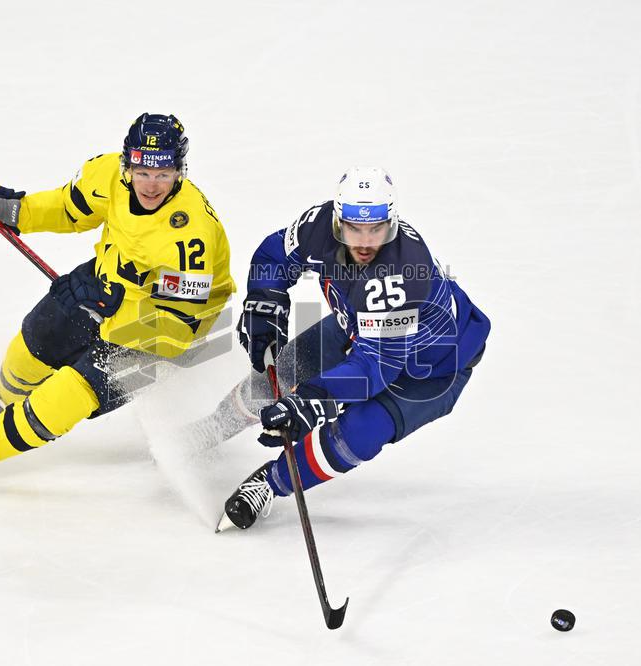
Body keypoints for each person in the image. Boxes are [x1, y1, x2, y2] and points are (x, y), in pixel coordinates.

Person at [0, 113, 235, 499]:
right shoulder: (107, 177)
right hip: (110, 282)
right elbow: (69, 208)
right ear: (126, 164)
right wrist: (9, 212)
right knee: (40, 333)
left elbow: (180, 325)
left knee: (74, 390)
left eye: (163, 174)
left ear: (179, 172)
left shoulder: (191, 235)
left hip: (167, 331)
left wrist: (107, 312)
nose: (151, 184)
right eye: (142, 170)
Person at [210, 166, 490, 531]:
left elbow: (373, 370)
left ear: (391, 222)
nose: (364, 241)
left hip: (433, 367)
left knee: (360, 431)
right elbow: (273, 256)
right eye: (354, 228)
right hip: (362, 331)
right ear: (338, 220)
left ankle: (269, 482)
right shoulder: (318, 224)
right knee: (283, 370)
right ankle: (209, 430)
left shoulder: (402, 273)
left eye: (376, 229)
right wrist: (266, 301)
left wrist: (308, 401)